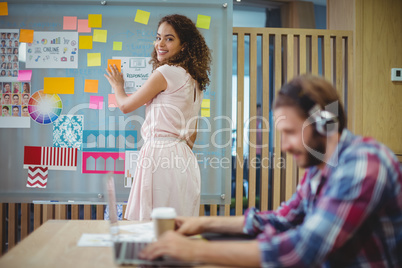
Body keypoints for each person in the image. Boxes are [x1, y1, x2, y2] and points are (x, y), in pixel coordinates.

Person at [139, 75, 402, 267]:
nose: (285, 145)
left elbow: (303, 249)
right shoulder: (320, 167)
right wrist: (200, 224)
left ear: (323, 125)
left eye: (290, 133)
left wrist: (194, 252)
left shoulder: (364, 164)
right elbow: (282, 219)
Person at [104, 14, 212, 221]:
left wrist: (118, 86)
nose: (160, 44)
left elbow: (126, 106)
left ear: (184, 46)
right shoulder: (195, 80)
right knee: (176, 223)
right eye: (158, 37)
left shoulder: (167, 72)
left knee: (150, 224)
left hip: (160, 154)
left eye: (169, 38)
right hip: (184, 158)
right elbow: (192, 135)